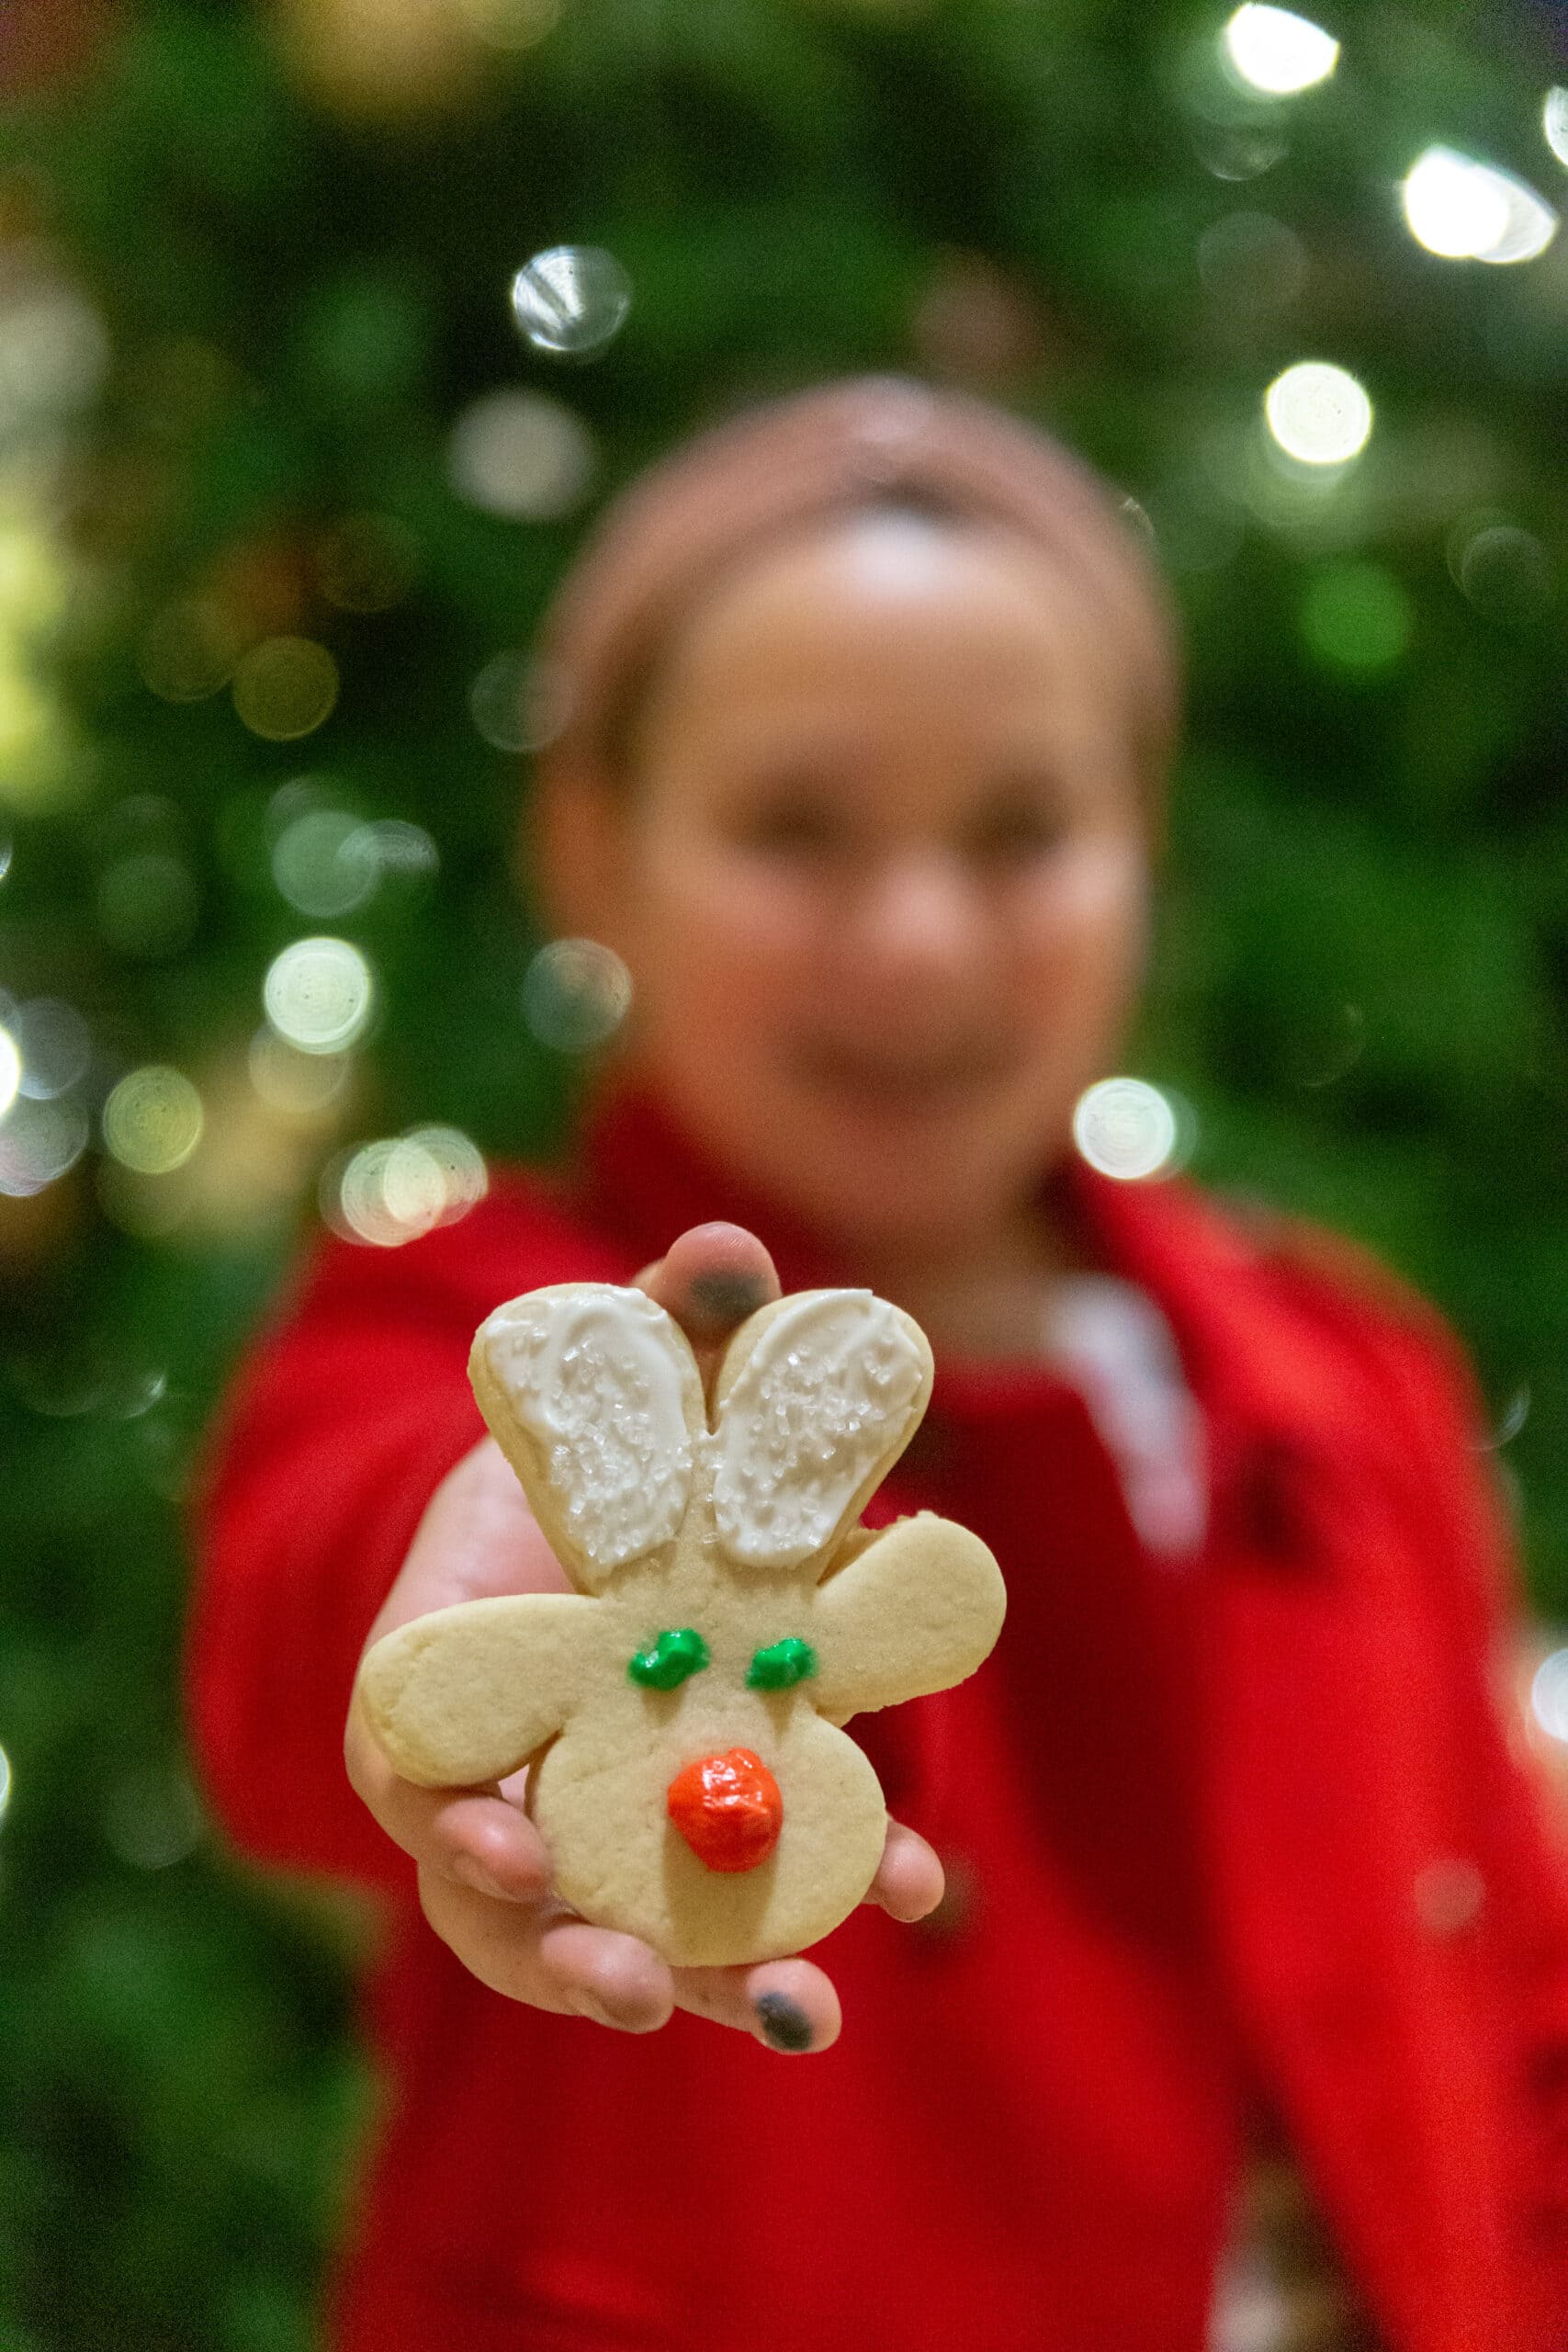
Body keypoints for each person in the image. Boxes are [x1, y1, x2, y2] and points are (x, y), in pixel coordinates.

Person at [186, 377, 1568, 2352]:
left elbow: (1514, 1997)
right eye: (794, 828)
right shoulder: (469, 1310)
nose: (916, 939)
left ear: (1137, 847)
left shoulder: (1332, 1370)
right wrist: (506, 1551)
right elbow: (305, 1612)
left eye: (1020, 832)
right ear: (592, 850)